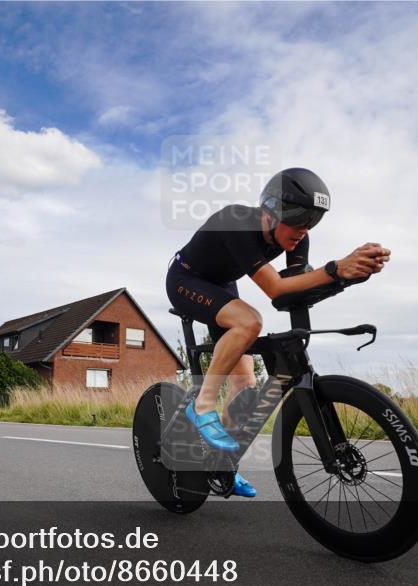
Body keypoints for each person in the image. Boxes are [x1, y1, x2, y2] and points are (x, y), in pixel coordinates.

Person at [166, 167, 391, 497]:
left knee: (246, 387)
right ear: (270, 210)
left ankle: (222, 464)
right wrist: (335, 268)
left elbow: (293, 292)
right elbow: (275, 288)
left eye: (313, 220)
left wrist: (348, 277)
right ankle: (202, 404)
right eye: (298, 217)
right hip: (186, 279)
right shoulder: (236, 222)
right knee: (249, 321)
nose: (304, 229)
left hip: (223, 286)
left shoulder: (298, 237)